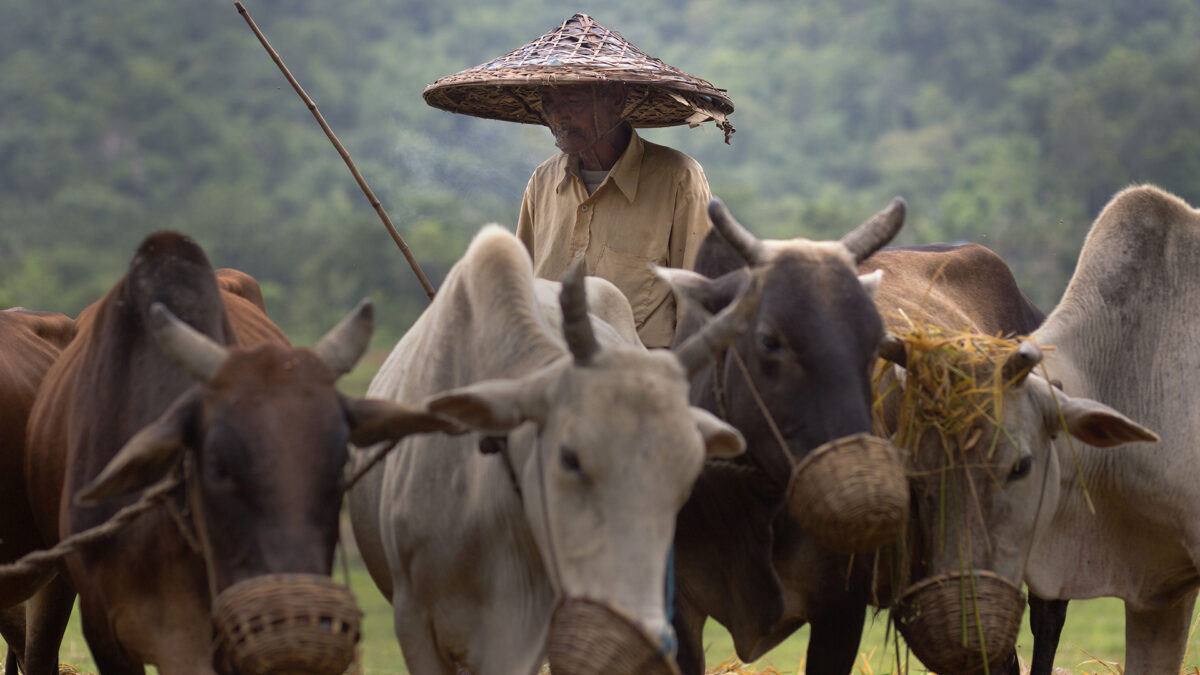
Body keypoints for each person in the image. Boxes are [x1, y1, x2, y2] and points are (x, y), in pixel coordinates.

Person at [423, 13, 735, 348]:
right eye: (550, 103)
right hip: (553, 379)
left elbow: (698, 307)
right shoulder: (542, 183)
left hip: (638, 381)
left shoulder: (678, 178)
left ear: (616, 100)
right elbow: (521, 294)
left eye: (572, 101)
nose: (558, 117)